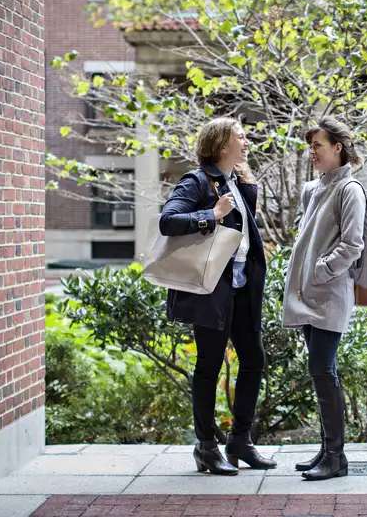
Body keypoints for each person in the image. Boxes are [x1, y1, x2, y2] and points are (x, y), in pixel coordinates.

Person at [159, 117, 276, 475]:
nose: (247, 141)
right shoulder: (196, 181)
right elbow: (168, 221)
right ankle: (207, 447)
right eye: (241, 136)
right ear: (222, 145)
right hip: (212, 291)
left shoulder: (241, 182)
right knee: (209, 366)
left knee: (253, 360)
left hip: (243, 290)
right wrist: (211, 214)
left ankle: (241, 440)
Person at [283, 116, 366, 481]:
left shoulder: (350, 190)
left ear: (338, 147)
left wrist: (319, 271)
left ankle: (336, 457)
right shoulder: (311, 189)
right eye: (310, 145)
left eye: (317, 145)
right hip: (306, 294)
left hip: (329, 294)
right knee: (319, 372)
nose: (311, 152)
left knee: (323, 369)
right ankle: (326, 452)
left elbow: (352, 245)